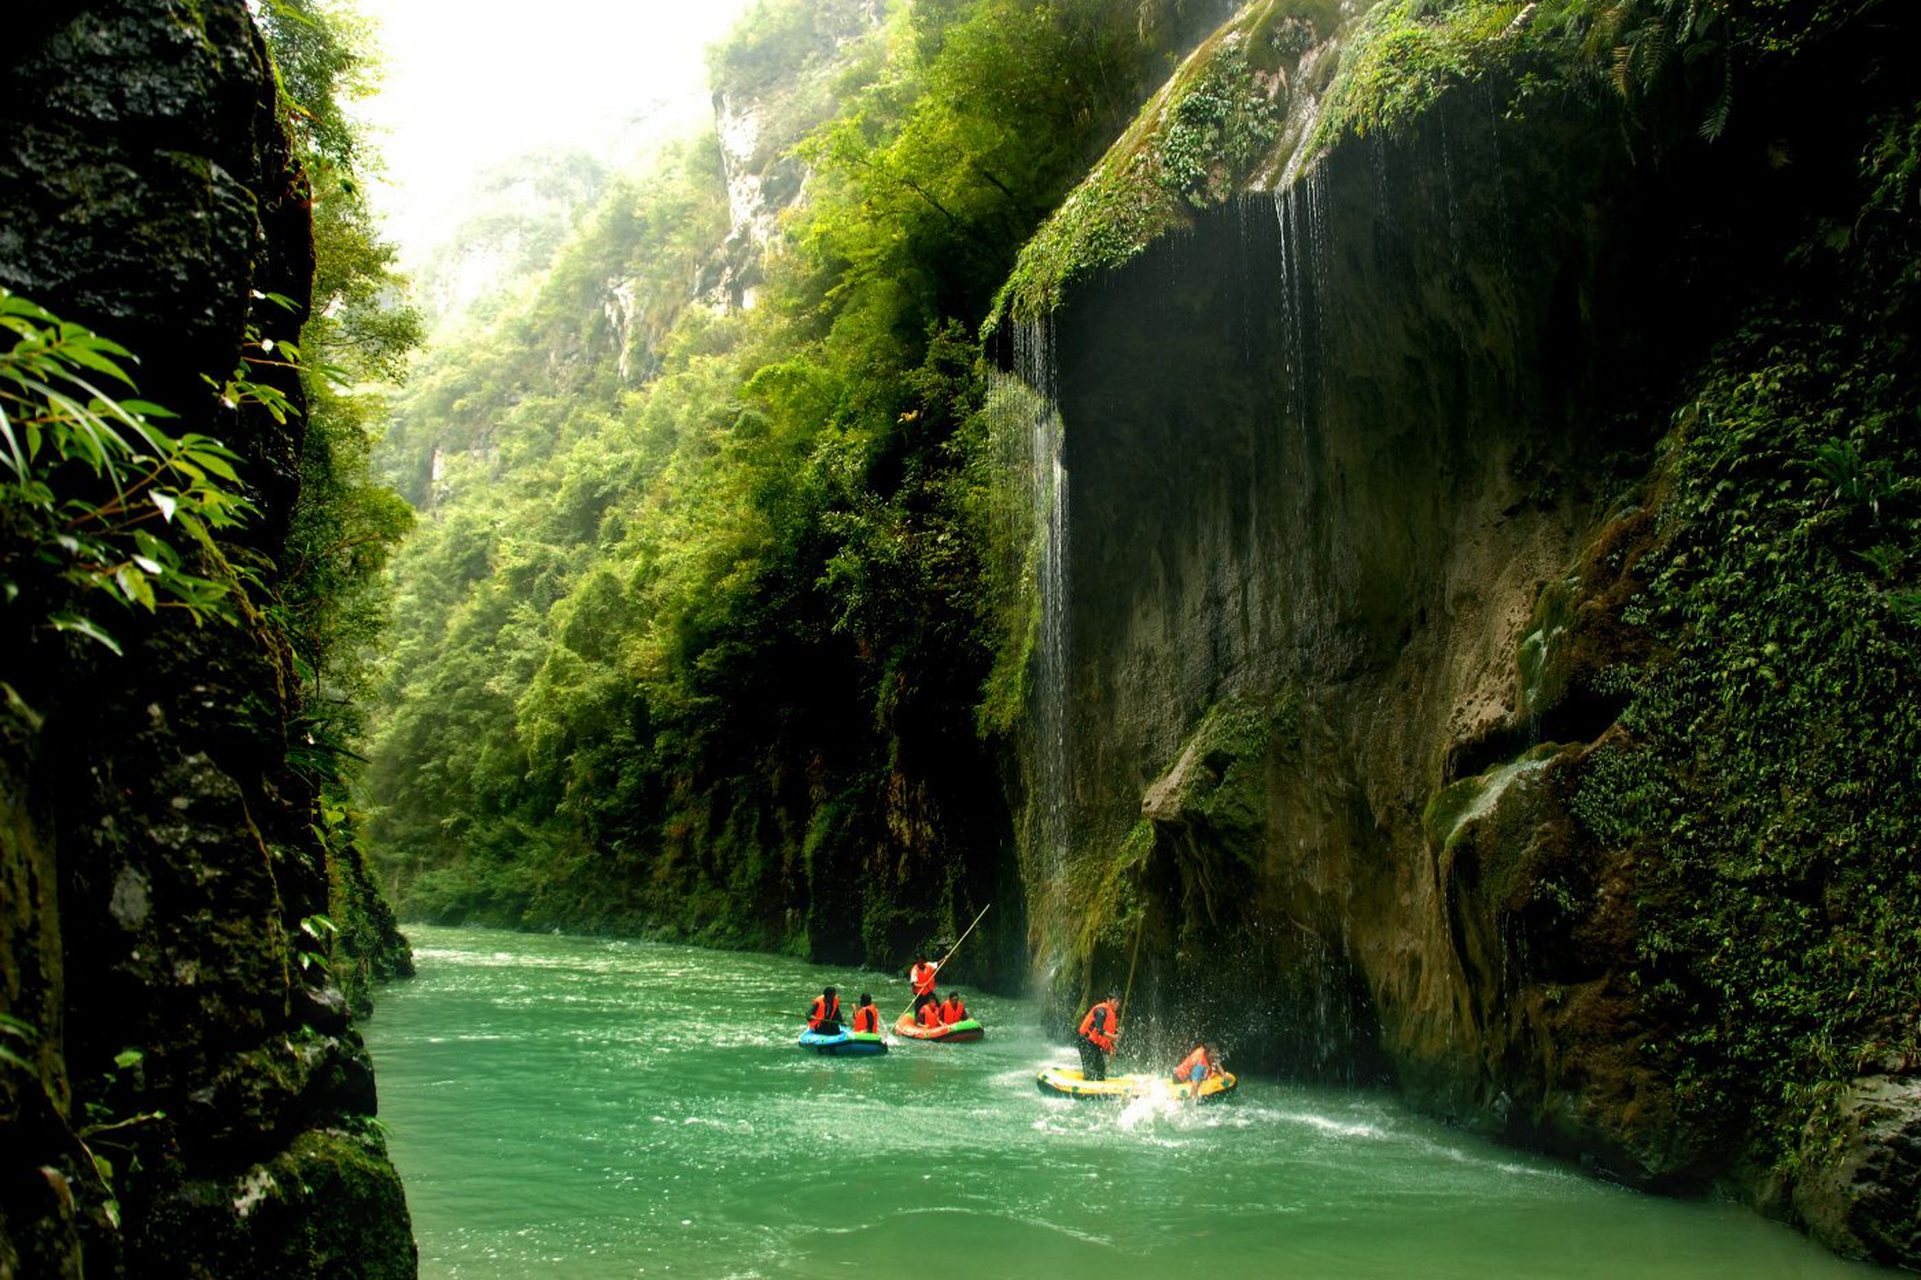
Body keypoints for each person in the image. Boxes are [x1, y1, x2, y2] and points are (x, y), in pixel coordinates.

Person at [1076, 992, 1121, 1080]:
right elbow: (1099, 1030)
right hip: (1085, 1041)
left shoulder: (1112, 1015)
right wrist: (1114, 1037)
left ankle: (1100, 1087)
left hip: (1094, 1044)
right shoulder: (1101, 1011)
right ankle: (1087, 1084)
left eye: (1119, 1002)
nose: (1117, 1004)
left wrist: (1111, 1048)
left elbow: (1108, 1035)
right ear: (1108, 1000)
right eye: (1115, 1001)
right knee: (1090, 1071)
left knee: (1100, 1071)